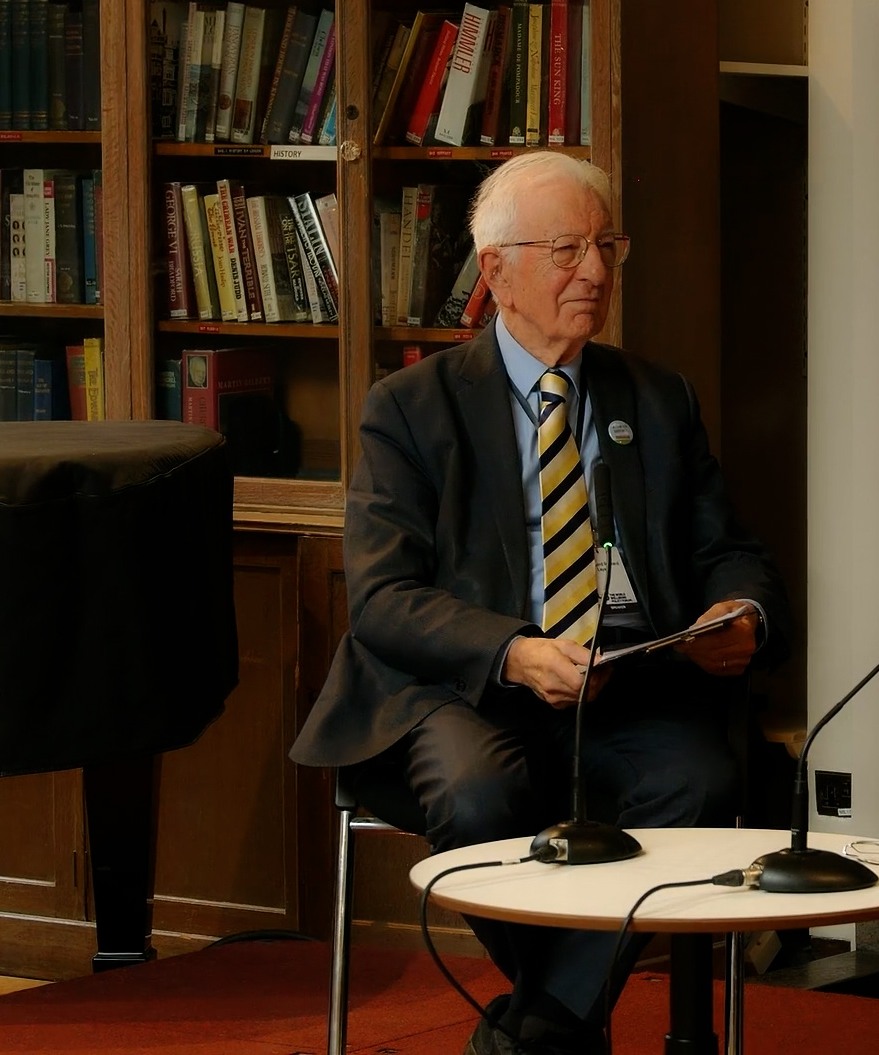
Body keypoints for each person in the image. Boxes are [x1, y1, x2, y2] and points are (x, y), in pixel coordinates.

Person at [291, 150, 790, 1055]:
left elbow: (729, 553)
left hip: (627, 681)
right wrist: (516, 651)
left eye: (606, 247)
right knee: (482, 798)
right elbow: (383, 597)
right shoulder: (410, 407)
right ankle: (560, 1018)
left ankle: (544, 1026)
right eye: (565, 250)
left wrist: (740, 615)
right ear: (497, 271)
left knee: (703, 783)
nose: (594, 272)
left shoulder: (657, 398)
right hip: (462, 689)